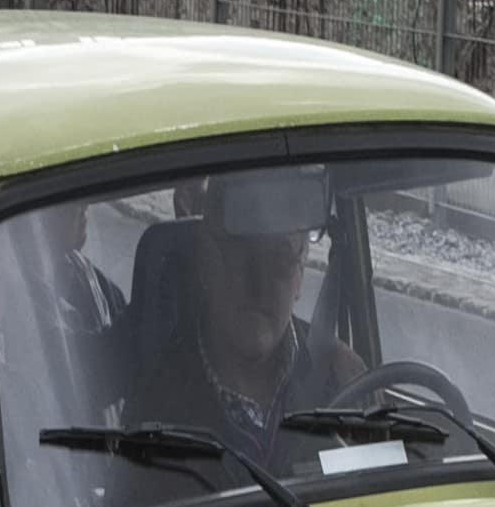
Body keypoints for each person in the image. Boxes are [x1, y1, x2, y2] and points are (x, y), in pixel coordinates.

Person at [125, 168, 357, 467]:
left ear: (300, 273)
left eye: (279, 258)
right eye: (240, 254)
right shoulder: (154, 409)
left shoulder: (341, 374)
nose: (259, 283)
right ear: (206, 260)